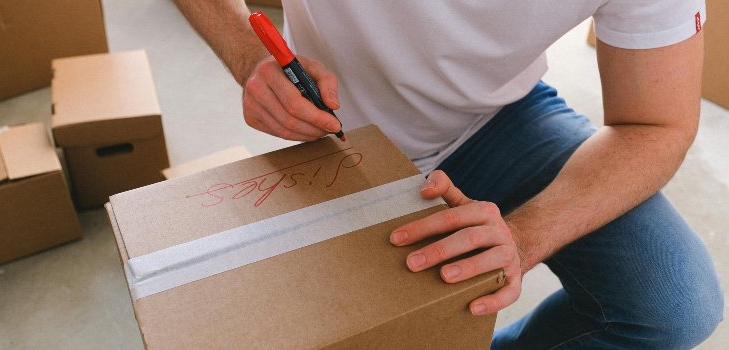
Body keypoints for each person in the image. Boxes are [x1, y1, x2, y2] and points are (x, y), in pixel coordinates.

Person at [174, 1, 723, 348]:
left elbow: (657, 124)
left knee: (672, 306)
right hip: (331, 136)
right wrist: (250, 58)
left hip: (497, 119)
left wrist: (523, 235)